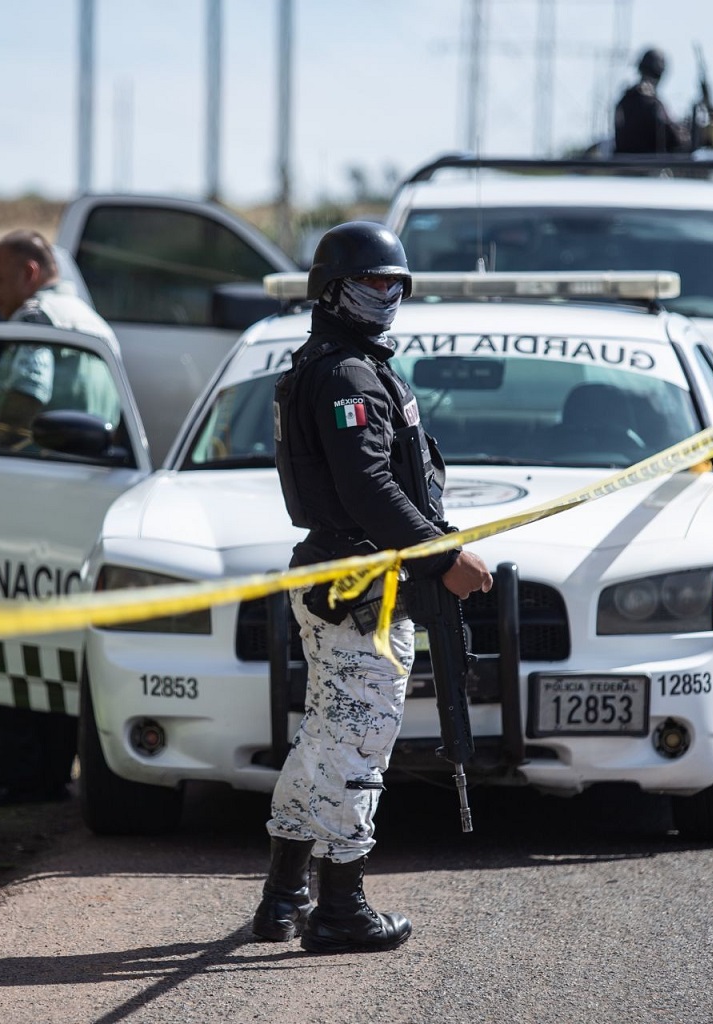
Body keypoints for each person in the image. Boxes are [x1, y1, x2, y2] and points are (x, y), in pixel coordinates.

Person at [254, 222, 492, 954]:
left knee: (324, 739)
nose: (386, 296)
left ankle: (285, 894)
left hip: (345, 578)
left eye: (397, 285)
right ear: (331, 291)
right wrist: (439, 558)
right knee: (359, 745)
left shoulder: (340, 365)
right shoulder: (347, 375)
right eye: (371, 283)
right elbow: (368, 488)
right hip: (363, 586)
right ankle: (340, 910)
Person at [0, 229, 120, 809]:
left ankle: (13, 777)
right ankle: (48, 773)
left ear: (29, 270)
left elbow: (27, 391)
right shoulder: (89, 321)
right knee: (54, 645)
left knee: (2, 631)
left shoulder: (38, 319)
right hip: (78, 502)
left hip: (25, 500)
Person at [613, 47, 691, 155]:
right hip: (650, 168)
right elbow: (674, 139)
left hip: (622, 167)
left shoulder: (625, 100)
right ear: (659, 73)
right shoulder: (652, 103)